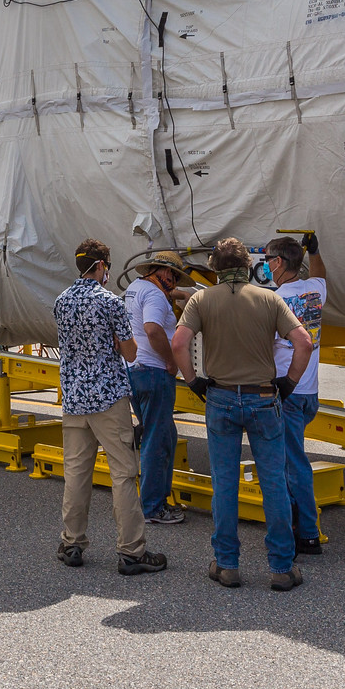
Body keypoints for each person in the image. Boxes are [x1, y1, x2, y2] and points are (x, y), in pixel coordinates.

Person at [173, 237, 315, 592]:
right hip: (264, 398)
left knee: (224, 482)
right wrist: (289, 382)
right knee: (274, 484)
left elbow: (178, 343)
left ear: (215, 266)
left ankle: (227, 565)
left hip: (220, 397)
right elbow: (304, 342)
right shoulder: (269, 298)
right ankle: (282, 567)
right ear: (247, 265)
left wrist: (194, 382)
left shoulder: (201, 300)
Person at [54, 240, 165, 576]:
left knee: (76, 472)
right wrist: (117, 343)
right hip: (108, 397)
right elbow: (131, 353)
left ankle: (72, 542)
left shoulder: (61, 302)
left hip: (74, 398)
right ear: (101, 266)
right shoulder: (110, 302)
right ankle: (131, 551)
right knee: (122, 473)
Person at [264, 235, 327, 558]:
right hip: (309, 391)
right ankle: (296, 522)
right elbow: (319, 274)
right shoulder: (315, 290)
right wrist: (314, 251)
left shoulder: (275, 301)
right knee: (291, 458)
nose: (264, 264)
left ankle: (307, 533)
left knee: (292, 463)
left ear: (277, 263)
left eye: (267, 258)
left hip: (288, 388)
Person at [124, 250, 194, 525]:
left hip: (135, 370)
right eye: (171, 275)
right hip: (154, 371)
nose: (173, 281)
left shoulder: (135, 288)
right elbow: (153, 329)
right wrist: (170, 361)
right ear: (159, 272)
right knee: (156, 438)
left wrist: (182, 294)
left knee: (165, 435)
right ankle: (153, 507)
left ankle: (159, 497)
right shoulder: (154, 296)